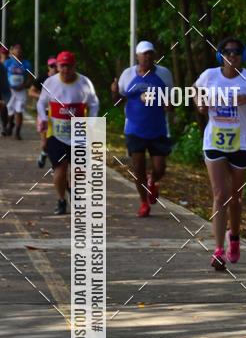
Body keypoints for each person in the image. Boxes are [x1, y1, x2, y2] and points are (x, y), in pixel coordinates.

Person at [195, 36, 246, 270]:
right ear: (221, 55)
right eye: (227, 51)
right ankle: (218, 250)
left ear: (242, 55)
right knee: (220, 194)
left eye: (237, 51)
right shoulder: (209, 76)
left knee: (235, 197)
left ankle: (234, 237)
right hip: (214, 141)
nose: (232, 55)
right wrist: (200, 104)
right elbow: (196, 91)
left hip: (241, 144)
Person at [113, 40, 174, 218]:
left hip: (159, 129)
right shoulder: (127, 74)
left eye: (150, 53)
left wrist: (169, 105)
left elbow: (171, 100)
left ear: (154, 55)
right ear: (137, 56)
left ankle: (153, 180)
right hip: (134, 128)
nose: (147, 56)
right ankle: (143, 202)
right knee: (138, 166)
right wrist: (115, 91)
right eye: (144, 53)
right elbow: (118, 102)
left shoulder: (164, 74)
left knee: (160, 167)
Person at [37, 51, 99, 215]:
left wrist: (91, 122)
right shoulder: (50, 83)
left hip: (79, 133)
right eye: (62, 66)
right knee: (60, 168)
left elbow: (94, 104)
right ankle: (61, 200)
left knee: (78, 169)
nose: (65, 70)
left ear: (74, 66)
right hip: (56, 134)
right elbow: (41, 103)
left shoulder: (84, 83)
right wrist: (43, 118)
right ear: (57, 66)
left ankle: (73, 191)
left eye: (68, 66)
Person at [29, 57, 58, 167]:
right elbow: (31, 92)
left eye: (56, 66)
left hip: (58, 114)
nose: (54, 68)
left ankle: (54, 166)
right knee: (46, 143)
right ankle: (43, 153)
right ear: (48, 67)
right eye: (52, 66)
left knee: (56, 142)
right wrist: (43, 98)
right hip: (44, 114)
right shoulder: (42, 78)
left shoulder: (63, 79)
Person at [4, 42, 33, 139]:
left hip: (21, 90)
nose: (18, 50)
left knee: (19, 110)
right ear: (12, 50)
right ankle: (10, 123)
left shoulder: (26, 63)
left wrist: (24, 85)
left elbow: (29, 78)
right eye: (16, 48)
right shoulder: (8, 62)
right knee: (10, 111)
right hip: (10, 90)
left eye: (20, 48)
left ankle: (17, 132)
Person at [0, 45, 9, 135]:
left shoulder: (10, 63)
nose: (4, 55)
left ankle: (5, 126)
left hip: (8, 89)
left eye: (6, 53)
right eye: (3, 53)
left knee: (5, 108)